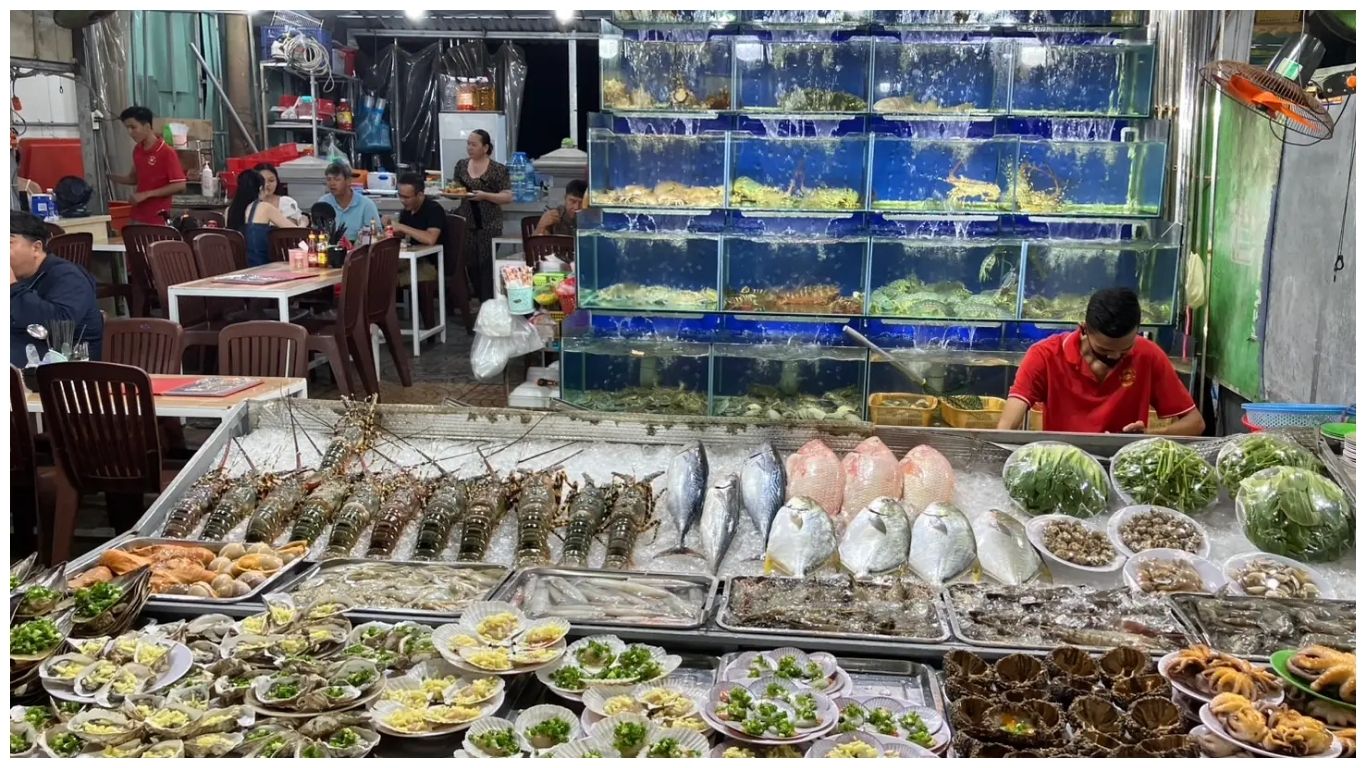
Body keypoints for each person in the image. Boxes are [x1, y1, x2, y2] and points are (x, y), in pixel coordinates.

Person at [997, 287, 1205, 436]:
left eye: (1125, 349)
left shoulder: (1148, 355)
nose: (1114, 357)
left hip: (1122, 465)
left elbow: (1195, 423)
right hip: (1063, 465)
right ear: (1084, 329)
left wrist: (1149, 435)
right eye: (1104, 350)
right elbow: (1007, 424)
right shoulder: (1045, 355)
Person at [10, 210, 103, 368]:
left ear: (36, 248)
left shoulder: (68, 277)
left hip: (68, 373)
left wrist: (13, 288)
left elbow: (59, 325)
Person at [451, 129, 512, 301]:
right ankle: (477, 299)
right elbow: (456, 188)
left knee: (486, 265)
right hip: (466, 222)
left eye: (474, 144)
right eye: (468, 144)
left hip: (489, 223)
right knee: (470, 264)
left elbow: (507, 196)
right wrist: (453, 194)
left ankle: (488, 302)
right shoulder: (461, 165)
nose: (469, 148)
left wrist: (486, 196)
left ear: (485, 147)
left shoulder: (498, 170)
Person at [109, 106, 187, 225]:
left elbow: (180, 185)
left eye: (133, 127)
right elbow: (134, 178)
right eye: (127, 128)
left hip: (157, 218)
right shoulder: (137, 150)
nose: (130, 132)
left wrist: (146, 194)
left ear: (147, 126)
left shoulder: (166, 152)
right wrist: (109, 177)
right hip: (137, 214)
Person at [224, 170, 299, 267]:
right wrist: (304, 222)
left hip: (237, 270)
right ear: (260, 188)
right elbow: (295, 231)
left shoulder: (229, 211)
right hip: (261, 268)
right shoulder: (264, 207)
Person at [316, 161, 380, 240]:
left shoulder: (366, 205)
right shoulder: (323, 203)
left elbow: (377, 236)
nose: (332, 183)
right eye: (329, 179)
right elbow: (316, 232)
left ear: (348, 181)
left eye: (337, 179)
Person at [385, 172, 445, 246]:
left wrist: (401, 227)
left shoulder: (434, 210)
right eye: (400, 196)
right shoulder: (407, 211)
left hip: (432, 256)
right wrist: (390, 226)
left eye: (406, 197)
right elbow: (401, 235)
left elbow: (430, 239)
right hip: (415, 254)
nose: (402, 200)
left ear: (420, 195)